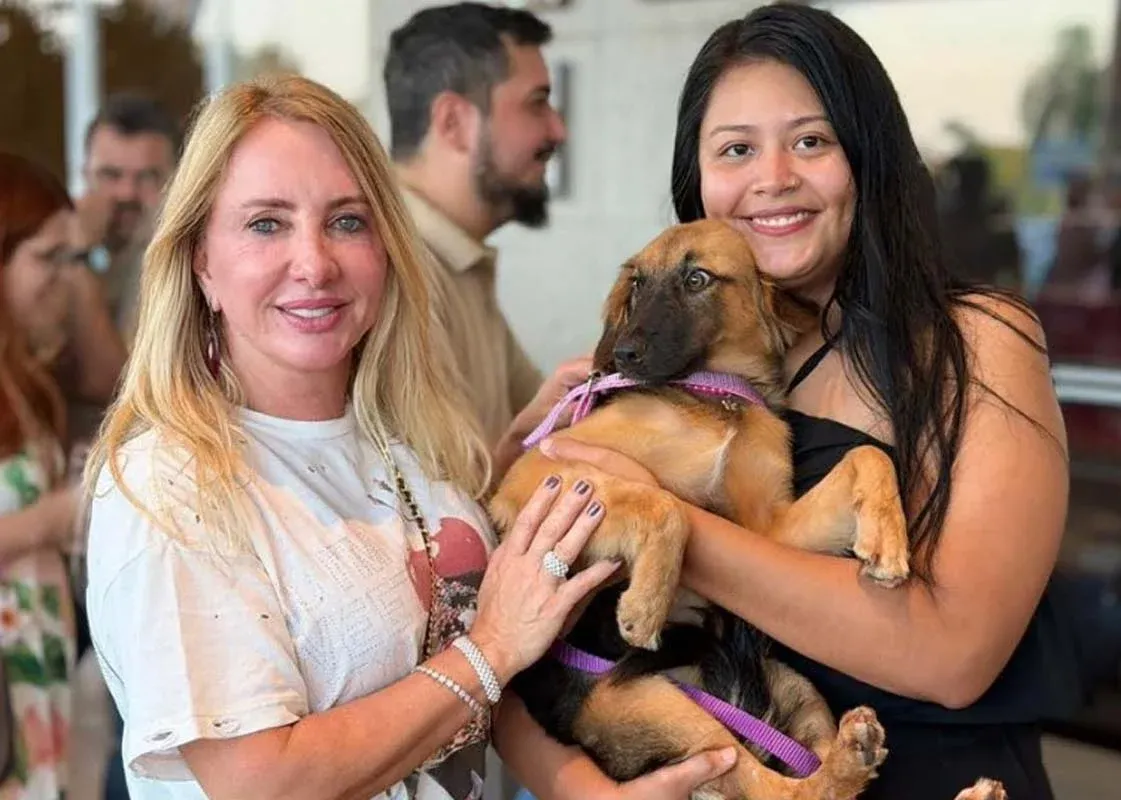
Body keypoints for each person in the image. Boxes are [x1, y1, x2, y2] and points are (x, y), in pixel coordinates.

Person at [82, 74, 733, 800]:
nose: (315, 263)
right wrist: (489, 648)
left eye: (347, 221)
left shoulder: (411, 446)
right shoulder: (169, 486)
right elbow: (257, 781)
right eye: (267, 223)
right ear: (201, 260)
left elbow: (467, 686)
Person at [497, 5, 1077, 799]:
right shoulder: (699, 365)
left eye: (811, 141)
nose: (773, 177)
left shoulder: (978, 341)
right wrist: (569, 784)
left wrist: (670, 527)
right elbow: (517, 640)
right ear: (698, 179)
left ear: (867, 157)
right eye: (736, 149)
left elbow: (954, 658)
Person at [384, 3, 589, 471]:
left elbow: (549, 422)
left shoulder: (455, 258)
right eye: (537, 102)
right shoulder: (393, 271)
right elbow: (443, 507)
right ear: (454, 122)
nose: (558, 129)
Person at [0, 151, 82, 799]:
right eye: (48, 259)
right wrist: (54, 517)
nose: (68, 280)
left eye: (75, 259)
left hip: (37, 664)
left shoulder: (27, 378)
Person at [76, 91, 180, 340]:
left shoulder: (190, 272)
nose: (126, 194)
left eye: (146, 177)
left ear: (178, 182)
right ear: (85, 176)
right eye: (110, 175)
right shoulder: (49, 252)